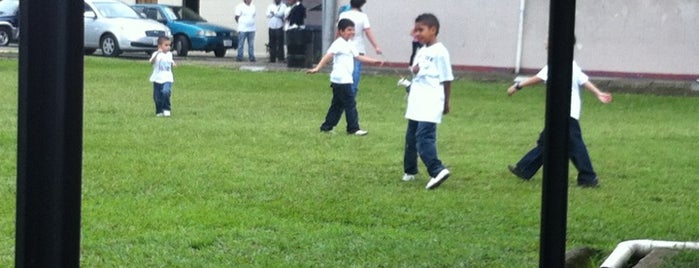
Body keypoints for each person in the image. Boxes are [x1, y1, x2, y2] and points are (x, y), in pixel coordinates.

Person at [506, 39, 613, 188]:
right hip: (563, 111)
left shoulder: (557, 63)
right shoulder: (571, 63)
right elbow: (584, 81)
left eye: (549, 38)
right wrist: (598, 93)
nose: (545, 41)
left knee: (575, 146)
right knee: (547, 142)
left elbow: (538, 78)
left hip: (564, 111)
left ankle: (589, 178)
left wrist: (517, 86)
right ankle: (524, 168)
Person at [401, 13, 453, 190]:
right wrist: (415, 69)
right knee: (410, 137)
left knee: (424, 137)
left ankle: (437, 169)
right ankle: (410, 171)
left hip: (431, 100)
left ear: (433, 30)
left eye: (421, 30)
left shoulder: (440, 52)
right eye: (416, 30)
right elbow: (417, 69)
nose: (417, 33)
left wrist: (446, 103)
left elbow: (447, 79)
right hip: (417, 100)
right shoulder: (422, 50)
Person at [306, 19, 383, 136]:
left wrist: (374, 61)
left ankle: (326, 127)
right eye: (349, 30)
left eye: (353, 30)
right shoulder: (338, 43)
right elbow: (328, 55)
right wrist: (318, 68)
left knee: (337, 105)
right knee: (350, 104)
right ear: (341, 31)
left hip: (345, 79)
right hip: (341, 80)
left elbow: (358, 57)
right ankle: (353, 128)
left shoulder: (350, 44)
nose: (352, 32)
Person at [338, 0, 382, 95]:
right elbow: (368, 32)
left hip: (344, 47)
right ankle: (352, 91)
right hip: (358, 47)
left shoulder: (343, 15)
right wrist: (376, 46)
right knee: (355, 72)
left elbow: (338, 31)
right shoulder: (363, 16)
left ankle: (344, 91)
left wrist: (336, 42)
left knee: (345, 70)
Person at [149, 36, 177, 117]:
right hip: (157, 78)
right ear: (160, 46)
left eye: (169, 45)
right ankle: (159, 110)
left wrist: (173, 63)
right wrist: (158, 53)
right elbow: (151, 62)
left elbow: (170, 60)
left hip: (167, 78)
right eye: (166, 45)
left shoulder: (169, 54)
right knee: (157, 97)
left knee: (166, 92)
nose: (168, 47)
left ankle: (166, 108)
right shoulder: (156, 54)